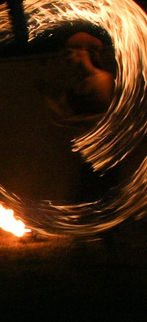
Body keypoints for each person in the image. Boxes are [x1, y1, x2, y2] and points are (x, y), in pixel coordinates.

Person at [46, 31, 117, 203]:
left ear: (83, 52)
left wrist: (75, 121)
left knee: (98, 194)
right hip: (86, 149)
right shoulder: (76, 83)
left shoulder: (102, 81)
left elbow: (107, 119)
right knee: (85, 194)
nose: (65, 59)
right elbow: (64, 113)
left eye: (68, 53)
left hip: (103, 150)